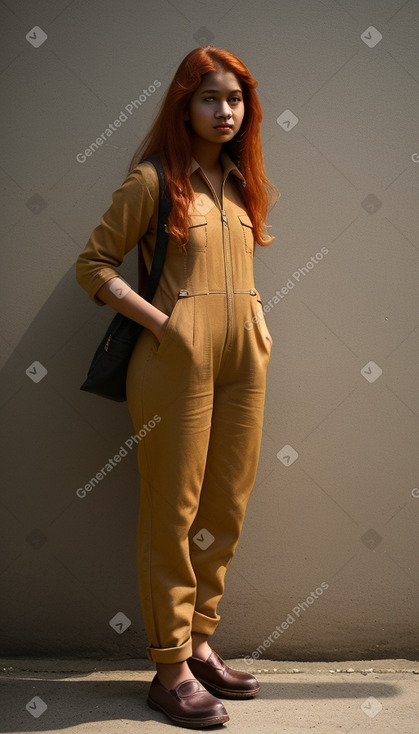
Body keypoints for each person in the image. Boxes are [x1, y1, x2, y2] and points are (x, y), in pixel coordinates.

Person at [76, 46, 280, 729]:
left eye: (234, 99)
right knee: (173, 513)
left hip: (243, 360)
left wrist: (256, 319)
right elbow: (93, 265)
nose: (224, 111)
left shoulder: (238, 180)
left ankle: (199, 644)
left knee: (226, 506)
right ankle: (167, 671)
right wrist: (163, 323)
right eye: (208, 98)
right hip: (174, 363)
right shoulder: (154, 181)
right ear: (182, 105)